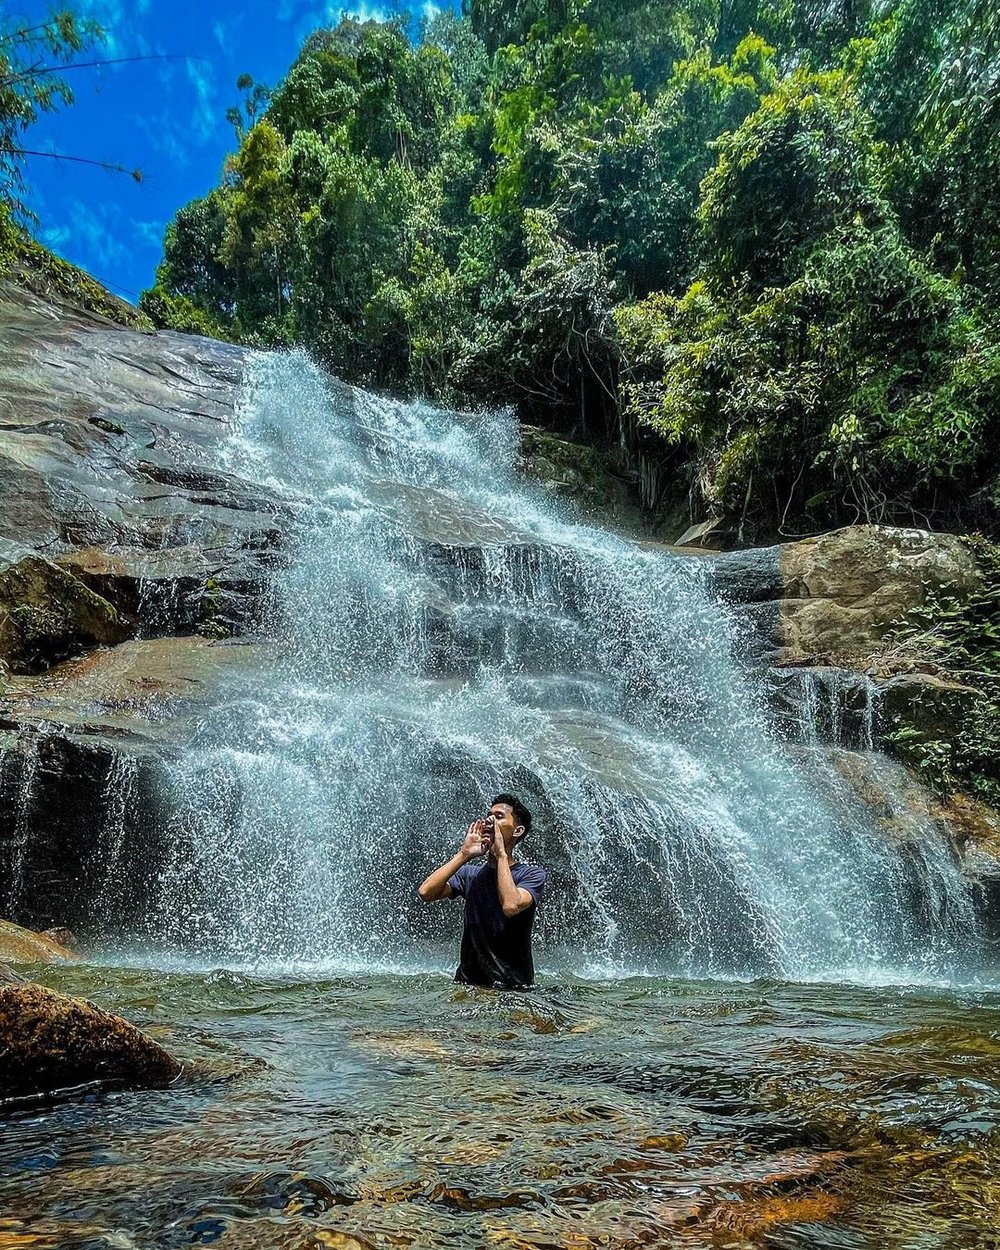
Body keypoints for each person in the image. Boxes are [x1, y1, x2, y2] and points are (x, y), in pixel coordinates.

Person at [417, 793, 547, 990]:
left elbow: (511, 905)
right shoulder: (470, 875)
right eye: (489, 815)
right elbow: (426, 892)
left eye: (499, 816)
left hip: (513, 988)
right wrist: (464, 854)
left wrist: (501, 854)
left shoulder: (532, 875)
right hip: (467, 986)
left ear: (518, 830)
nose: (489, 821)